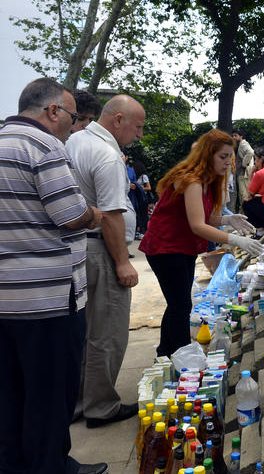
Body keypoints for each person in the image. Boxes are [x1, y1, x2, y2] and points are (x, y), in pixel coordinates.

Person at [0, 78, 106, 474]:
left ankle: (14, 465)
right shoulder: (43, 146)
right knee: (49, 392)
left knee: (11, 391)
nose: (73, 126)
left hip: (6, 298)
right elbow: (71, 216)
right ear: (52, 111)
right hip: (46, 299)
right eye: (73, 117)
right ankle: (52, 466)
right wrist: (95, 214)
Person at [139, 129, 262, 356]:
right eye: (222, 156)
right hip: (165, 248)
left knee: (179, 302)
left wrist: (227, 219)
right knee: (181, 305)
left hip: (181, 247)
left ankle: (165, 353)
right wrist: (234, 239)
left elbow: (202, 217)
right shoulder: (191, 180)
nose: (228, 162)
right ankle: (182, 356)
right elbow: (198, 225)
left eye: (230, 156)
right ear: (207, 155)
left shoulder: (207, 181)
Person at [66, 94, 142, 429]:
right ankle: (101, 406)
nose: (139, 134)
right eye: (137, 126)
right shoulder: (107, 154)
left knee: (82, 331)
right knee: (107, 331)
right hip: (101, 249)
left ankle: (79, 400)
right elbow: (111, 216)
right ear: (118, 119)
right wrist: (123, 263)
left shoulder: (73, 141)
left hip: (76, 248)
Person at [232, 129, 255, 211]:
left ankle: (244, 214)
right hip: (243, 173)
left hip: (244, 173)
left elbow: (251, 152)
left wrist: (244, 164)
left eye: (236, 135)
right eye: (233, 135)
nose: (234, 137)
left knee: (243, 194)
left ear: (241, 136)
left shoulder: (243, 144)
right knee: (244, 194)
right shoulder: (242, 144)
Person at [133, 159, 152, 238]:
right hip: (137, 198)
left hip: (143, 198)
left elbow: (149, 188)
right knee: (138, 214)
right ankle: (139, 231)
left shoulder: (144, 176)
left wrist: (139, 188)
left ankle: (145, 231)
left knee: (143, 215)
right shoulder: (135, 177)